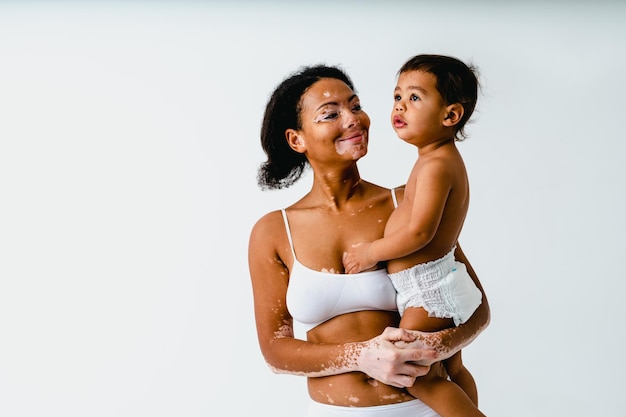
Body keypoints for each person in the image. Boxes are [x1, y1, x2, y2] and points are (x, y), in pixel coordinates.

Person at [248, 63, 490, 417]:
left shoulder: (407, 205)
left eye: (356, 106)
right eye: (331, 113)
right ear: (296, 139)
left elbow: (474, 307)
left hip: (425, 408)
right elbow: (275, 351)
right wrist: (362, 355)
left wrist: (434, 347)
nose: (354, 119)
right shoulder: (273, 231)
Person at [342, 54, 485, 416]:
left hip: (428, 291)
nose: (400, 106)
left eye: (415, 98)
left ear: (450, 116)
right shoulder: (432, 158)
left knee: (417, 374)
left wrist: (373, 251)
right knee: (453, 369)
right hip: (431, 283)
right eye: (397, 97)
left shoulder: (437, 165)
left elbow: (421, 232)